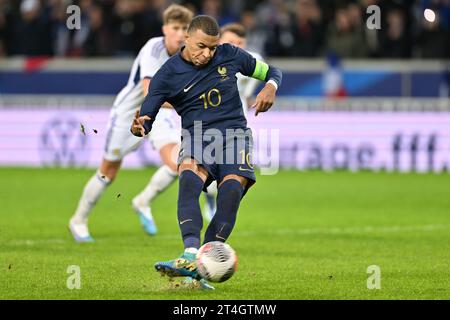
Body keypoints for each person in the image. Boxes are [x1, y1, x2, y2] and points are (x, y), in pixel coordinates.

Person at [131, 15, 282, 288]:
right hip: (197, 136)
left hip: (235, 135)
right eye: (201, 46)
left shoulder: (230, 55)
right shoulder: (166, 74)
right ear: (186, 38)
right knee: (189, 178)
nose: (207, 53)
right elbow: (147, 117)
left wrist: (270, 87)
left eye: (212, 47)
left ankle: (202, 265)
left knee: (231, 193)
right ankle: (189, 253)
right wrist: (140, 126)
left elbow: (272, 72)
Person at [69, 4, 193, 242]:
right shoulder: (153, 49)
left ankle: (143, 201)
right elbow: (149, 92)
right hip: (129, 112)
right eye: (175, 27)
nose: (180, 33)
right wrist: (185, 105)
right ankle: (78, 220)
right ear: (165, 28)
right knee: (109, 171)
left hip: (159, 114)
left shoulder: (188, 55)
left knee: (178, 163)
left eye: (184, 28)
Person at [202, 22, 265, 222]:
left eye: (240, 42)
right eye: (231, 42)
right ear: (219, 42)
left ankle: (219, 211)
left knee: (235, 173)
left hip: (237, 124)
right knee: (209, 169)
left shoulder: (252, 60)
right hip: (208, 123)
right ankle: (211, 197)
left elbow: (252, 85)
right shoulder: (207, 61)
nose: (236, 46)